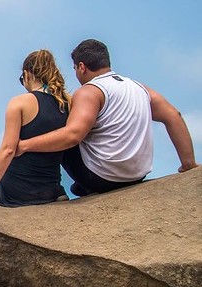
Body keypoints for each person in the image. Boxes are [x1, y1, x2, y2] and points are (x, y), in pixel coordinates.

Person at [16, 39, 198, 196]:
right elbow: (174, 115)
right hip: (136, 175)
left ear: (81, 66)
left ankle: (50, 190)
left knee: (58, 124)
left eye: (75, 68)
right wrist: (188, 163)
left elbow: (73, 135)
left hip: (102, 178)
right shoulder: (138, 87)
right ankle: (83, 186)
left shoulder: (90, 91)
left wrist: (25, 145)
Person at [0, 49, 71, 210]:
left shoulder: (19, 103)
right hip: (51, 187)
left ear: (27, 74)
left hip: (20, 191)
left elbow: (8, 150)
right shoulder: (67, 103)